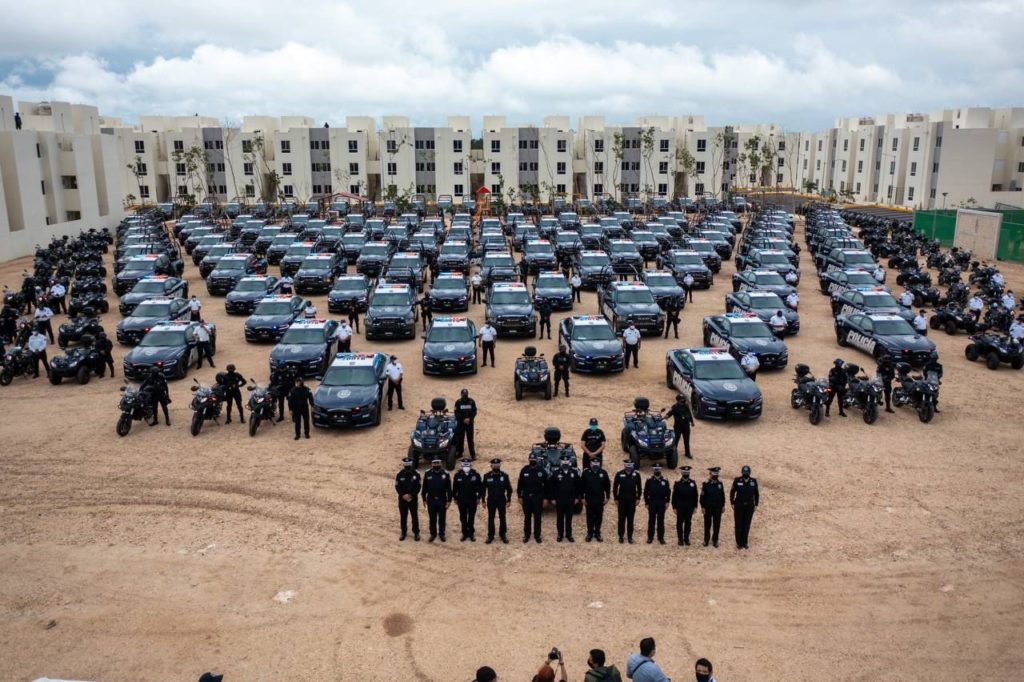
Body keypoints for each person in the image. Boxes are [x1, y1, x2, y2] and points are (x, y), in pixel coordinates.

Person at [550, 455, 581, 542]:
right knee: (560, 518)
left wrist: (577, 498)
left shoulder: (574, 473)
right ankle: (560, 535)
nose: (565, 464)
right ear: (560, 463)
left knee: (569, 518)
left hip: (570, 500)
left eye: (567, 462)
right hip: (559, 500)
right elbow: (550, 486)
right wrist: (552, 498)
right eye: (563, 462)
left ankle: (569, 535)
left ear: (569, 463)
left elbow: (578, 486)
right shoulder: (556, 473)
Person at [517, 453, 547, 543]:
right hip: (526, 497)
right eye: (531, 460)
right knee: (527, 517)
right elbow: (520, 484)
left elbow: (547, 486)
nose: (532, 461)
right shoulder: (524, 470)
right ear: (529, 460)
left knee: (537, 518)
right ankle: (526, 535)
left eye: (534, 460)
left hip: (538, 497)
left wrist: (545, 498)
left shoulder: (541, 471)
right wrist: (519, 496)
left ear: (537, 460)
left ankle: (537, 535)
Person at [482, 457, 512, 544]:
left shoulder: (504, 476)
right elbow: (483, 489)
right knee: (491, 518)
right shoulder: (486, 476)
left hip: (501, 500)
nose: (496, 466)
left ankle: (503, 535)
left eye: (497, 465)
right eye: (494, 465)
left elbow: (509, 489)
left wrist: (509, 499)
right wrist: (483, 500)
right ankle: (490, 535)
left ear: (500, 465)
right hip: (491, 500)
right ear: (491, 466)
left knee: (502, 517)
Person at [421, 457, 452, 542]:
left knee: (442, 518)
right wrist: (423, 498)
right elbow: (424, 488)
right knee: (432, 518)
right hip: (431, 500)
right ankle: (433, 534)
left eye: (438, 463)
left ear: (441, 463)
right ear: (432, 464)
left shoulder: (445, 474)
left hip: (442, 500)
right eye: (434, 463)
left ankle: (442, 534)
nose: (436, 465)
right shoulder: (427, 474)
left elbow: (449, 489)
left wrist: (449, 500)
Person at [581, 456, 610, 542]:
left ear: (600, 464)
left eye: (597, 463)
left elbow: (607, 485)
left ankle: (597, 533)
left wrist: (608, 497)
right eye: (593, 463)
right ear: (590, 464)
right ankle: (589, 533)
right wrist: (582, 498)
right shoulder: (586, 473)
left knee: (599, 517)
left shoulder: (603, 473)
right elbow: (581, 486)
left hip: (600, 499)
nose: (595, 464)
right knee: (589, 517)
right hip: (589, 499)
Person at [453, 458, 483, 542]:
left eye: (467, 465)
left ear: (470, 465)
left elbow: (480, 487)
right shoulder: (458, 475)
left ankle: (471, 533)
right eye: (464, 465)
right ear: (462, 465)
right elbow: (454, 488)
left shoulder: (475, 474)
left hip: (472, 499)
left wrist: (479, 497)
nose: (466, 466)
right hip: (461, 499)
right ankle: (464, 533)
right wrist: (455, 498)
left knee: (471, 517)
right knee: (463, 517)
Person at [730, 464, 760, 549]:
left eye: (747, 472)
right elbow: (732, 492)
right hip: (739, 506)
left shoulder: (753, 481)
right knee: (738, 524)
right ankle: (739, 543)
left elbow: (756, 494)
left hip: (749, 506)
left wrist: (756, 504)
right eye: (744, 472)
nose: (745, 474)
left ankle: (745, 542)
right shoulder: (737, 480)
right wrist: (732, 502)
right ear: (742, 472)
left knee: (746, 525)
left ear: (749, 473)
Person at [613, 459, 642, 543]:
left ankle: (630, 537)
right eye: (627, 465)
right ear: (624, 465)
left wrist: (638, 498)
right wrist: (615, 498)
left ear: (632, 465)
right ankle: (621, 536)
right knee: (621, 519)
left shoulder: (636, 474)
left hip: (632, 500)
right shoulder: (619, 474)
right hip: (621, 499)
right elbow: (615, 487)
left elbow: (639, 487)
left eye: (630, 465)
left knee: (630, 519)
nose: (628, 467)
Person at [395, 457, 421, 541]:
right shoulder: (400, 474)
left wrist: (410, 495)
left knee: (414, 517)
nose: (407, 466)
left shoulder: (416, 474)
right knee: (403, 516)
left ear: (411, 464)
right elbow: (397, 486)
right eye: (405, 464)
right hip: (402, 500)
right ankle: (403, 532)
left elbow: (418, 487)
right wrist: (403, 495)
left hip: (413, 499)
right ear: (403, 464)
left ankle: (416, 533)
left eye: (408, 464)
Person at [644, 463, 671, 544]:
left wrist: (667, 501)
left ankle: (661, 538)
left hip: (661, 503)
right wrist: (646, 502)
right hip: (652, 502)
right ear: (653, 470)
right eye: (656, 469)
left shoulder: (665, 480)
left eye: (658, 469)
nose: (657, 471)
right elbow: (645, 492)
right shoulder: (649, 480)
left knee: (661, 521)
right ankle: (650, 538)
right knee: (651, 521)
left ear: (660, 470)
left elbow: (668, 492)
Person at [672, 465, 699, 545]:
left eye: (687, 472)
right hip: (680, 506)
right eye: (684, 472)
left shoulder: (693, 483)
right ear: (681, 473)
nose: (686, 474)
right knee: (679, 523)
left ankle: (686, 538)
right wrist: (674, 506)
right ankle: (680, 539)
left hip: (689, 506)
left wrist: (695, 506)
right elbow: (674, 496)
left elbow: (695, 495)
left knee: (688, 523)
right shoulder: (677, 483)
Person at [700, 467, 726, 548]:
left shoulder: (720, 484)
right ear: (710, 474)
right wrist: (702, 507)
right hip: (708, 507)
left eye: (717, 474)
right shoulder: (706, 484)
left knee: (717, 524)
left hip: (718, 507)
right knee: (707, 524)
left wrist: (723, 505)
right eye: (714, 474)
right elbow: (702, 497)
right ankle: (706, 540)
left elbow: (722, 495)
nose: (715, 475)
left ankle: (715, 540)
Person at [453, 388, 477, 460]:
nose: (465, 396)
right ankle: (460, 453)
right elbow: (456, 413)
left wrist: (470, 418)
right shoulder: (458, 402)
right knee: (460, 439)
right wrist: (463, 419)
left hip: (469, 423)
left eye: (466, 395)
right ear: (461, 394)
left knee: (470, 439)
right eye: (463, 395)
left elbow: (474, 411)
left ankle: (473, 455)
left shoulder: (471, 401)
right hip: (461, 423)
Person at [668, 393, 694, 459]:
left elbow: (689, 414)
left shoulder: (686, 406)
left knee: (686, 440)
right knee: (676, 440)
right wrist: (664, 417)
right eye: (681, 400)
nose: (683, 401)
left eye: (683, 400)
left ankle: (687, 453)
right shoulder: (674, 407)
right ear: (678, 400)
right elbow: (669, 414)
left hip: (686, 426)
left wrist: (692, 422)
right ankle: (674, 454)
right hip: (678, 426)